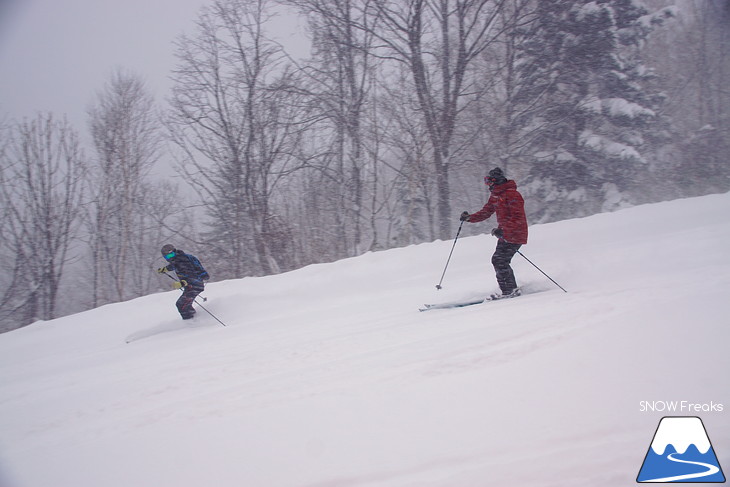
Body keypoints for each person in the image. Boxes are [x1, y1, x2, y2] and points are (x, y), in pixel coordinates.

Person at [460, 167, 528, 299]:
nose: (488, 185)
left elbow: (518, 217)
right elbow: (486, 211)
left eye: (489, 182)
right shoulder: (496, 196)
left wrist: (504, 230)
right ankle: (509, 289)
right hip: (505, 234)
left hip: (516, 233)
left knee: (499, 260)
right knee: (499, 260)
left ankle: (509, 291)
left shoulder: (512, 195)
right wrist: (469, 218)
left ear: (497, 181)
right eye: (487, 182)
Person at [157, 244, 209, 319]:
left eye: (171, 255)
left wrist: (182, 283)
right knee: (184, 304)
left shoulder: (182, 261)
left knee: (181, 305)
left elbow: (192, 275)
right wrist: (164, 269)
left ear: (175, 252)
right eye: (167, 256)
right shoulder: (179, 258)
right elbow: (173, 265)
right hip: (193, 285)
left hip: (194, 285)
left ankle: (192, 322)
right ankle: (195, 319)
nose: (170, 258)